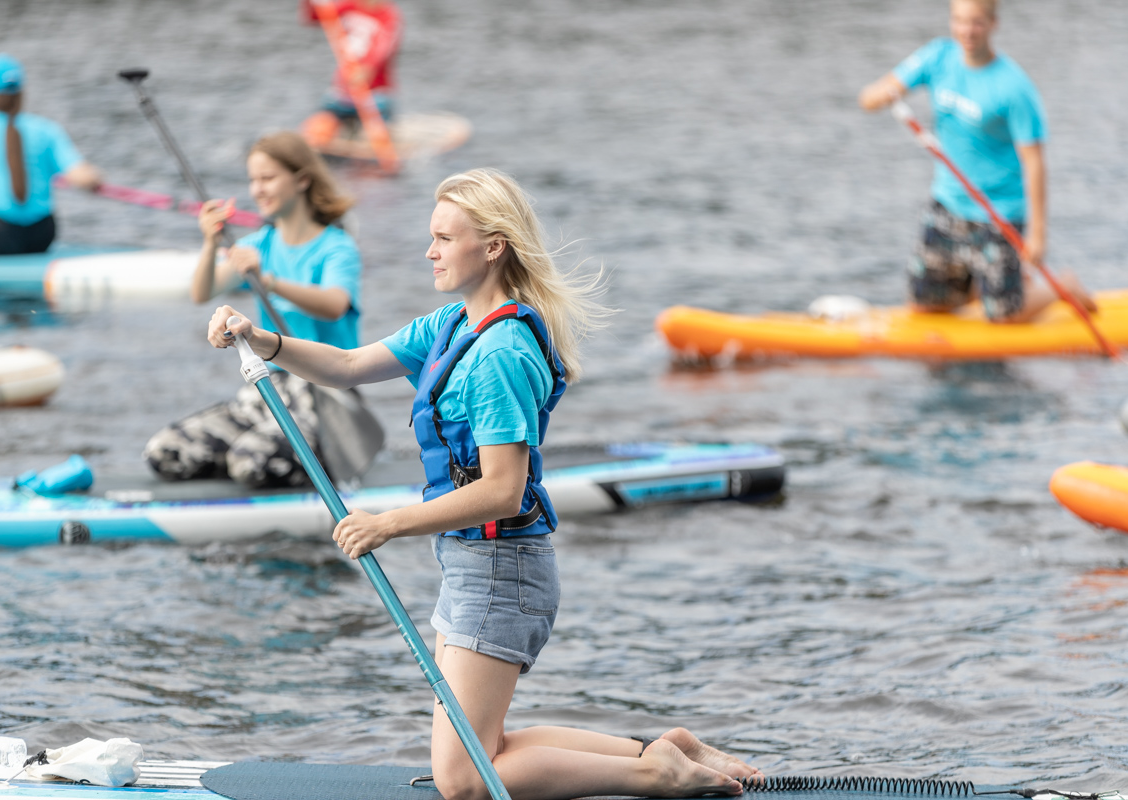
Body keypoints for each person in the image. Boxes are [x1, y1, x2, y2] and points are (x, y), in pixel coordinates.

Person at [206, 168, 763, 800]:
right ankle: (661, 750)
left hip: (502, 571)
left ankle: (653, 775)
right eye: (431, 236)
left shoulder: (499, 355)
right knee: (485, 748)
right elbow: (349, 366)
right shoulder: (451, 324)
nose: (430, 251)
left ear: (493, 246)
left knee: (465, 779)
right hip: (471, 563)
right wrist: (261, 338)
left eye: (444, 238)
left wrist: (387, 523)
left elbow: (503, 489)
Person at [143, 131, 361, 488]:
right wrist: (211, 243)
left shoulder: (336, 247)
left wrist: (269, 280)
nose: (257, 189)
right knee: (166, 452)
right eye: (253, 179)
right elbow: (202, 292)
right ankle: (255, 460)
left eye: (268, 178)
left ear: (302, 179)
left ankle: (284, 459)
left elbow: (334, 306)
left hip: (323, 394)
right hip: (269, 388)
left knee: (250, 462)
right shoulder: (258, 244)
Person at [858, 0, 1095, 324]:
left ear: (993, 24)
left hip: (998, 213)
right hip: (948, 203)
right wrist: (883, 95)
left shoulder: (1013, 87)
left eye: (976, 23)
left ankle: (1062, 287)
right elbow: (869, 97)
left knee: (1002, 315)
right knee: (924, 305)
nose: (966, 31)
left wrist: (1038, 235)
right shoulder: (937, 57)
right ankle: (992, 281)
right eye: (959, 21)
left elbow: (1035, 162)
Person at [0, 53, 102, 257]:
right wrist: (92, 181)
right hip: (42, 235)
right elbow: (83, 176)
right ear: (21, 93)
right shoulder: (47, 130)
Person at [300, 0, 403, 124]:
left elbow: (385, 47)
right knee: (321, 122)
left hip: (375, 92)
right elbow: (316, 17)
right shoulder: (350, 5)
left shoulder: (389, 15)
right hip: (344, 90)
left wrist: (368, 68)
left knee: (376, 119)